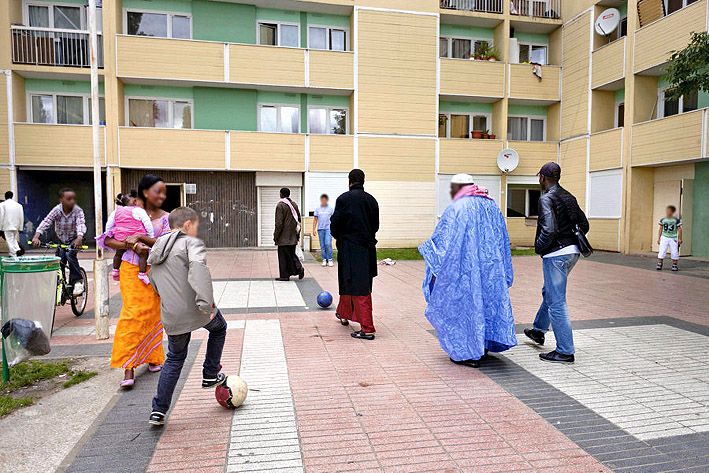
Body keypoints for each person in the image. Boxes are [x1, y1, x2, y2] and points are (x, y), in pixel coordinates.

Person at [419, 174, 517, 368]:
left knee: (465, 308)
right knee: (486, 304)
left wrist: (430, 252)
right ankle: (483, 346)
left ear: (458, 187)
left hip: (464, 271)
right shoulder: (491, 206)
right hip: (490, 270)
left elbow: (444, 243)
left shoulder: (457, 208)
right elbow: (503, 240)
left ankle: (467, 352)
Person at [147, 207, 226, 426]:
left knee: (174, 358)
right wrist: (205, 303)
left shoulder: (157, 247)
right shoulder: (192, 243)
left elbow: (153, 278)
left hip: (171, 313)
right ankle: (210, 373)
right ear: (188, 225)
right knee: (219, 328)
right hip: (194, 308)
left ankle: (158, 411)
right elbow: (199, 271)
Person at [100, 175, 170, 387]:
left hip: (156, 270)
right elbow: (108, 239)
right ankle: (128, 367)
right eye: (156, 191)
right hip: (131, 269)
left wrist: (140, 239)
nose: (160, 195)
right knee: (132, 314)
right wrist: (130, 246)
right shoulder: (124, 213)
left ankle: (153, 357)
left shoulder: (166, 217)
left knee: (153, 314)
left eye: (162, 191)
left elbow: (166, 241)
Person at [523, 162, 589, 364]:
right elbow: (584, 225)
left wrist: (539, 248)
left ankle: (565, 351)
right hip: (573, 252)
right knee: (551, 293)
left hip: (556, 255)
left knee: (557, 301)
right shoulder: (569, 196)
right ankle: (538, 331)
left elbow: (549, 230)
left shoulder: (546, 199)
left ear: (542, 178)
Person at [331, 169, 380, 340]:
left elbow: (335, 225)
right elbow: (375, 226)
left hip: (350, 248)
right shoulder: (372, 200)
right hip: (367, 249)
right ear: (363, 181)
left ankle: (367, 328)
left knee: (357, 287)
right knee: (353, 283)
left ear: (349, 181)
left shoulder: (343, 199)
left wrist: (342, 237)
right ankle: (343, 314)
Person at [32, 188, 87, 296]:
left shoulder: (77, 210)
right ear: (61, 200)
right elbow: (47, 221)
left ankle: (77, 281)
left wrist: (80, 237)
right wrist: (36, 236)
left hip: (75, 239)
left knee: (70, 254)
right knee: (59, 260)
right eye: (69, 199)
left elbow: (81, 223)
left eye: (73, 199)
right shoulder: (57, 210)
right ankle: (60, 285)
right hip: (61, 239)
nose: (72, 201)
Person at [106, 191, 154, 284]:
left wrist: (109, 233)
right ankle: (142, 273)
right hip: (134, 237)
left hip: (120, 236)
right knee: (143, 254)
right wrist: (150, 236)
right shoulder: (139, 211)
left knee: (118, 253)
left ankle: (115, 270)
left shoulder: (116, 210)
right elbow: (147, 223)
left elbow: (109, 223)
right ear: (135, 201)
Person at [274, 187, 304, 281]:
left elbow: (279, 223)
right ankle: (298, 268)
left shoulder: (280, 205)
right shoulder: (294, 205)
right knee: (291, 254)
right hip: (292, 236)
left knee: (283, 257)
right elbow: (298, 220)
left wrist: (276, 236)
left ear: (281, 194)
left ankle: (284, 275)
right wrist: (297, 235)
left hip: (283, 237)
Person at [0, 191, 25, 257]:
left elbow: (1, 216)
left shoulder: (2, 205)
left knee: (9, 241)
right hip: (15, 226)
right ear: (12, 196)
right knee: (14, 240)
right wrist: (20, 227)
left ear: (5, 196)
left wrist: (0, 227)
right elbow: (21, 217)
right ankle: (18, 249)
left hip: (7, 226)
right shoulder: (18, 205)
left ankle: (13, 253)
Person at [657, 205, 682, 272]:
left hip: (673, 237)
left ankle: (674, 264)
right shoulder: (663, 219)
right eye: (667, 211)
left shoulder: (676, 220)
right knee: (662, 250)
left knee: (674, 251)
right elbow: (660, 229)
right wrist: (659, 238)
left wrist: (679, 238)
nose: (668, 212)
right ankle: (660, 263)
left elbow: (679, 229)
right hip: (664, 237)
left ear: (673, 212)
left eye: (669, 211)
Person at [313, 193, 334, 267]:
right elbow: (315, 219)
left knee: (328, 243)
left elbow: (334, 219)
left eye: (325, 200)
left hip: (328, 229)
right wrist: (314, 229)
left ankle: (330, 259)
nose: (324, 201)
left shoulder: (330, 209)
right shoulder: (318, 209)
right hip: (320, 229)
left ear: (327, 200)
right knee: (322, 245)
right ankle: (324, 259)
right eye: (322, 200)